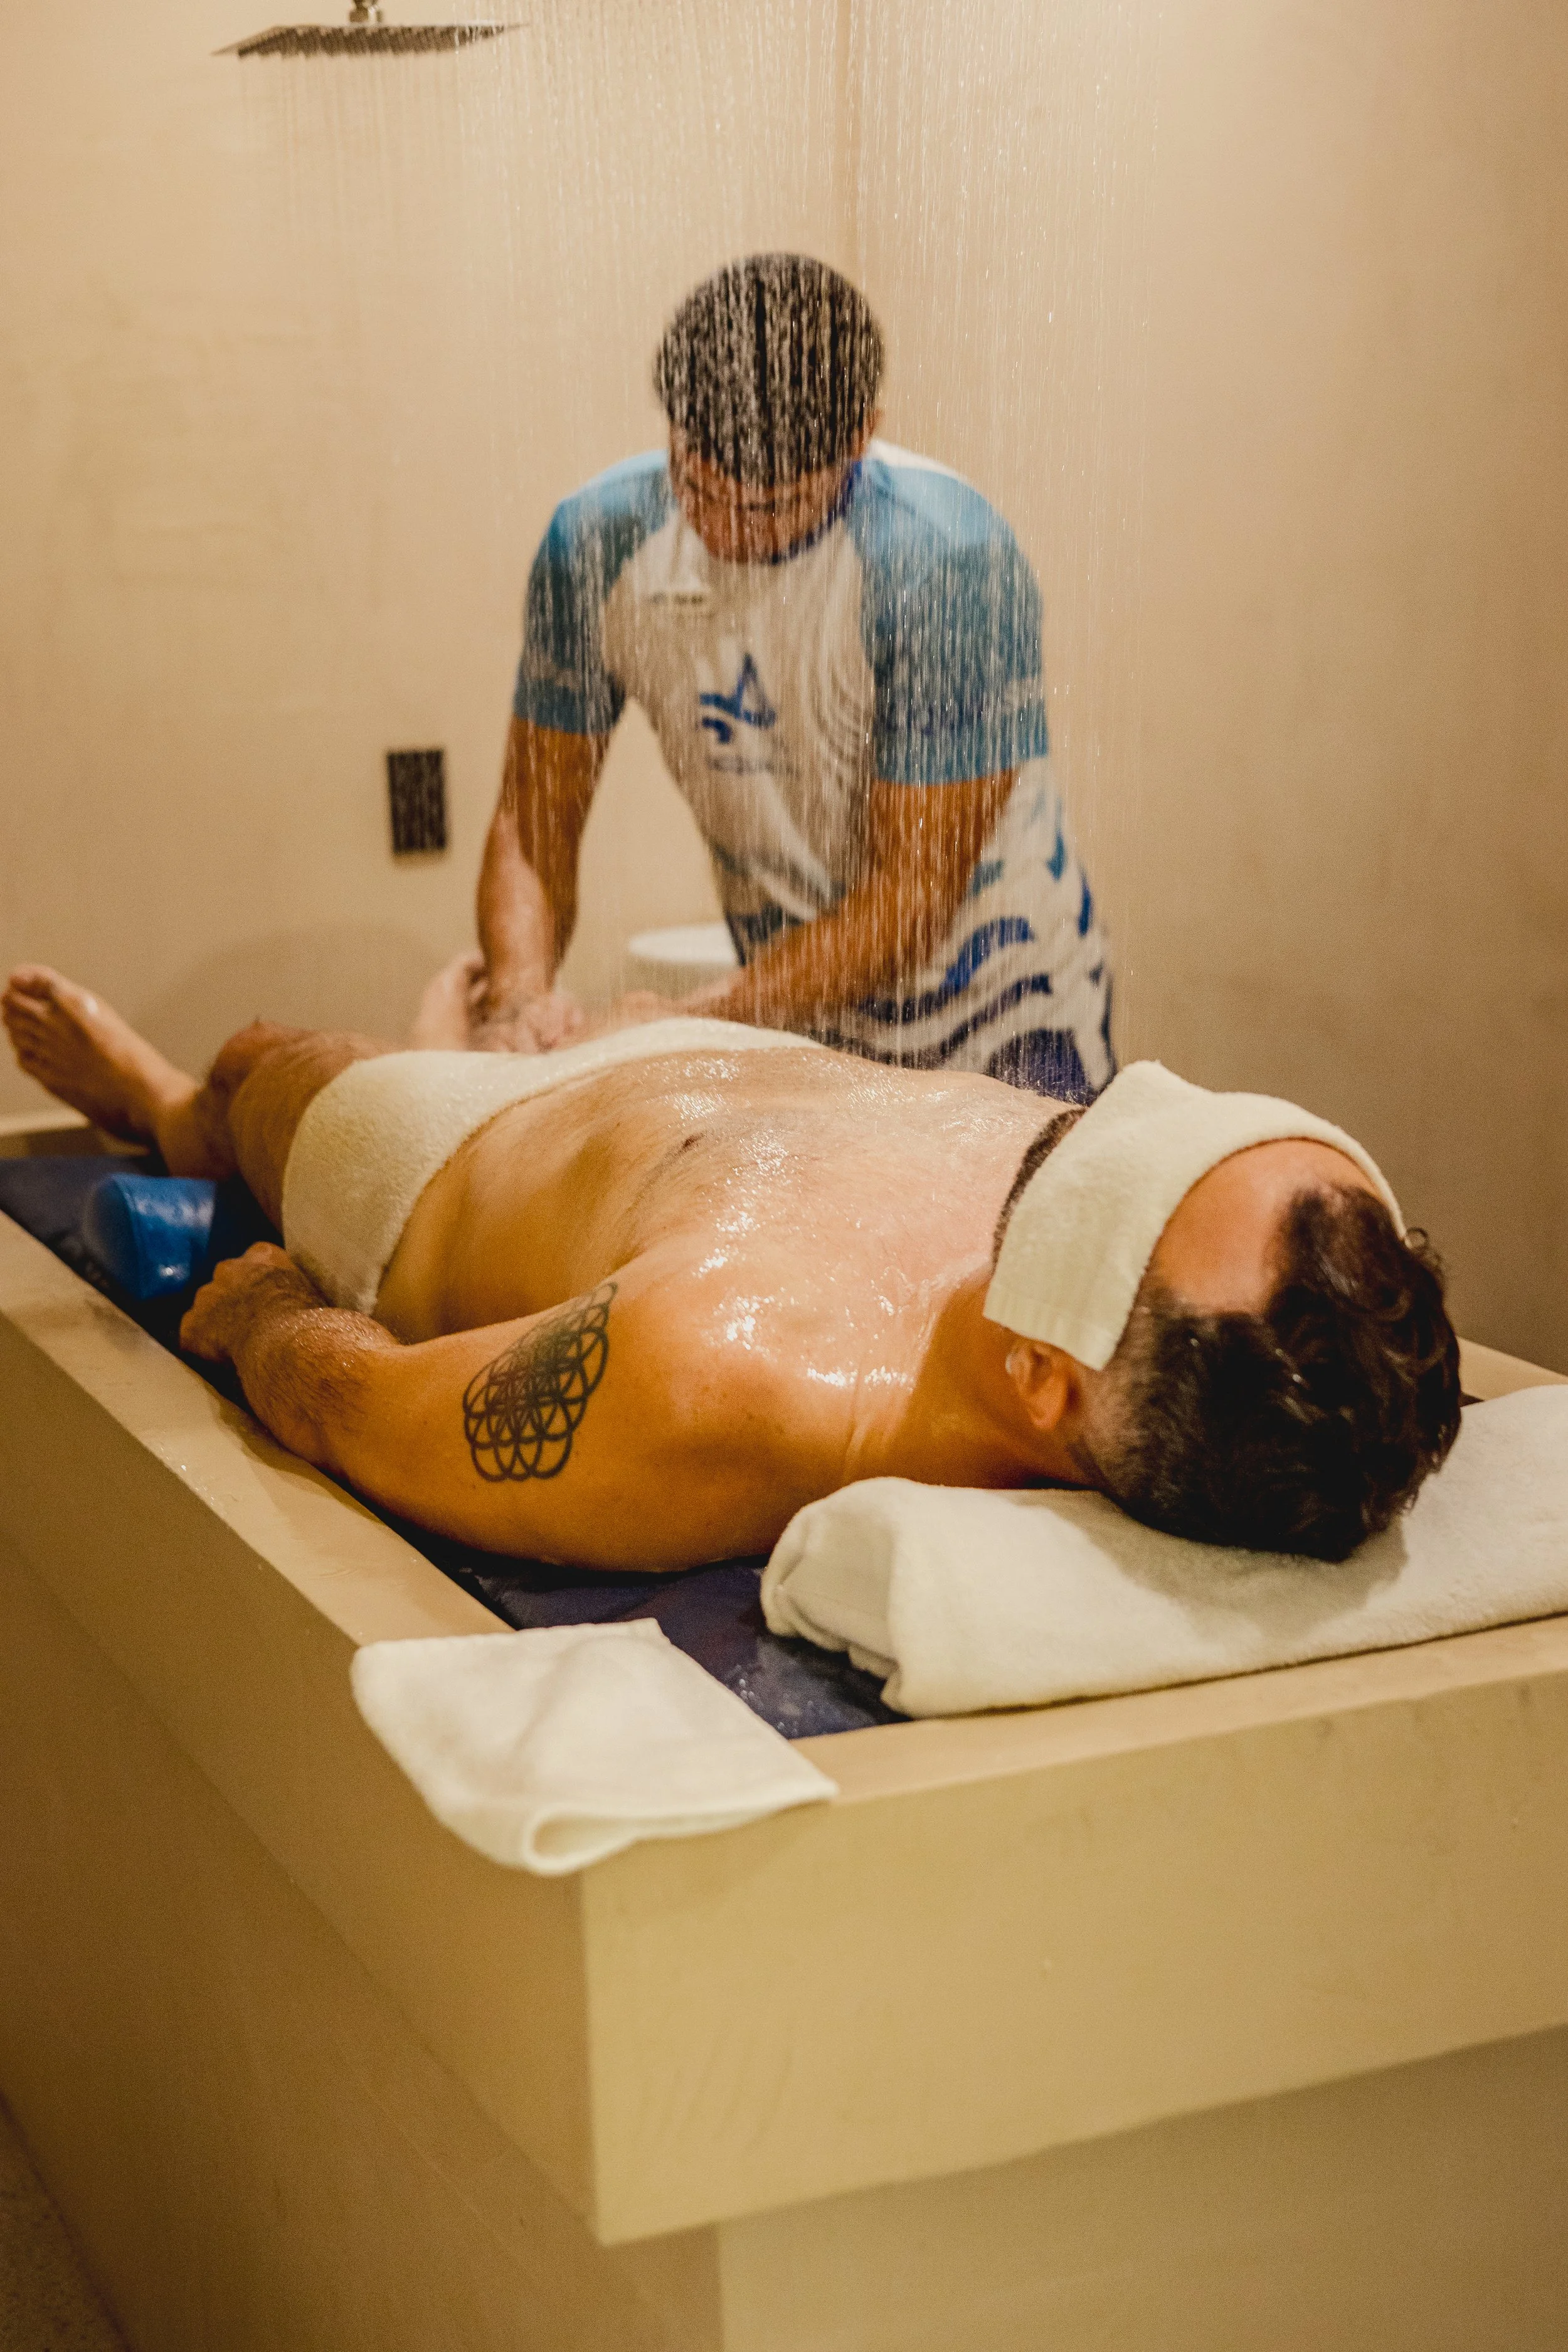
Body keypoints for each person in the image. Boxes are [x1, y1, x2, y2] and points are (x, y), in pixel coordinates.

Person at [4, 962, 1460, 1572]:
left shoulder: (725, 1375)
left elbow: (357, 1410)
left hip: (441, 1164)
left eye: (1132, 1175)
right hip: (686, 1090)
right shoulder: (1103, 1275)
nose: (1141, 1115)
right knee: (532, 1025)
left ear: (1038, 1376)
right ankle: (495, 1024)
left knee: (269, 1057)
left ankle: (180, 1113)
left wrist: (263, 1316)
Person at [450, 252, 1114, 1099]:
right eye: (695, 485)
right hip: (797, 1012)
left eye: (765, 508)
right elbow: (534, 819)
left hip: (1001, 1013)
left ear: (860, 437)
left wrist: (691, 1022)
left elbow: (911, 896)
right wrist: (517, 999)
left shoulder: (945, 563)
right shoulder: (595, 546)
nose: (723, 529)